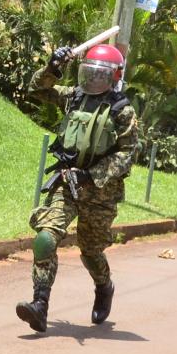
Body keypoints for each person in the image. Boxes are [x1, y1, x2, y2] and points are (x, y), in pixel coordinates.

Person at [15, 44, 138, 333]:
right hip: (66, 182)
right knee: (46, 237)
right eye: (89, 72)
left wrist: (91, 175)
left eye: (100, 74)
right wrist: (53, 66)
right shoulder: (75, 97)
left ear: (114, 76)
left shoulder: (123, 110)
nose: (93, 79)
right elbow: (37, 90)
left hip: (100, 192)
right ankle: (40, 305)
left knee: (90, 251)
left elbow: (126, 154)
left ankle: (104, 287)